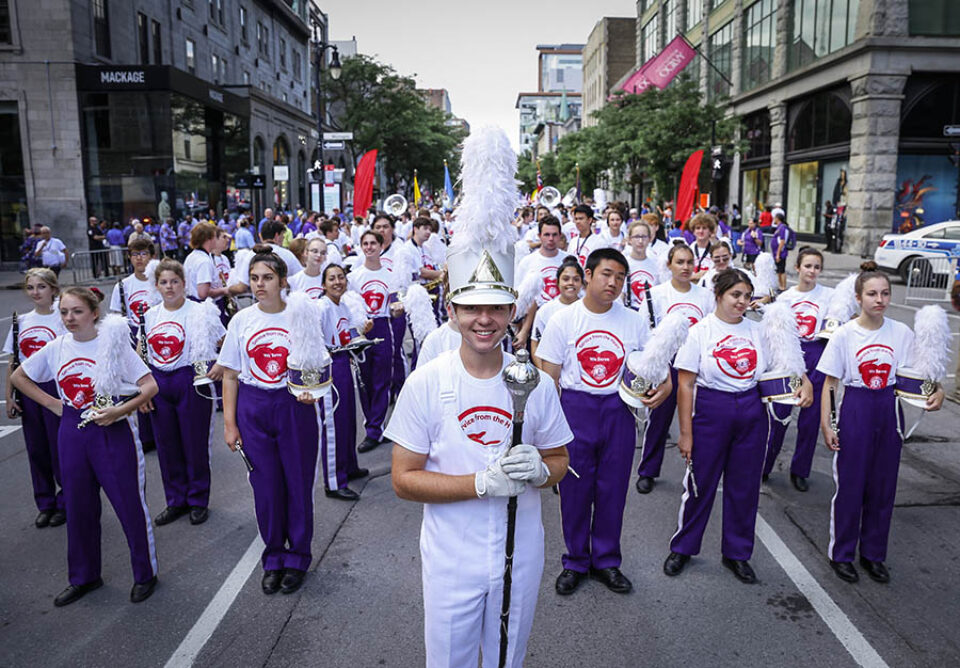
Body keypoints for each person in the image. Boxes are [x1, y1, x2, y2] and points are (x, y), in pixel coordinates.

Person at [386, 127, 572, 664]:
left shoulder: (535, 381)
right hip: (451, 558)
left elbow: (561, 459)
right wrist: (480, 483)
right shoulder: (427, 380)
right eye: (472, 308)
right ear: (454, 312)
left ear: (513, 312)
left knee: (507, 659)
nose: (484, 320)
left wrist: (541, 471)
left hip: (521, 552)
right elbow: (402, 479)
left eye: (496, 308)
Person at [11, 288, 160, 606]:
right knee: (78, 507)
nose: (69, 318)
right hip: (72, 431)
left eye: (77, 311)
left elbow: (150, 385)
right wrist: (53, 404)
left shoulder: (113, 345)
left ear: (94, 313)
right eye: (64, 312)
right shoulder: (56, 346)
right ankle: (85, 576)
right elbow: (19, 376)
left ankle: (145, 573)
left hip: (112, 429)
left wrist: (120, 411)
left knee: (128, 504)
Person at [663, 269, 812, 583]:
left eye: (747, 296)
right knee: (699, 485)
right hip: (711, 410)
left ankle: (737, 553)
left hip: (750, 409)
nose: (742, 302)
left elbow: (782, 365)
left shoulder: (758, 331)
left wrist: (804, 382)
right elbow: (686, 385)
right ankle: (684, 547)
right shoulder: (700, 331)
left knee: (744, 487)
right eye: (736, 295)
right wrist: (686, 434)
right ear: (719, 294)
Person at [538, 248, 671, 596]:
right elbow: (549, 379)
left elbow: (653, 365)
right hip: (576, 409)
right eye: (606, 274)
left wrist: (665, 384)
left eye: (620, 277)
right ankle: (575, 561)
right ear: (588, 275)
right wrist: (548, 433)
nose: (613, 283)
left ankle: (607, 560)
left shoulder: (634, 321)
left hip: (619, 410)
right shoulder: (563, 320)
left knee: (612, 490)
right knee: (575, 491)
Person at [818, 262, 944, 584]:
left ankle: (873, 553)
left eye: (885, 293)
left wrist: (938, 390)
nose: (880, 299)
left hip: (888, 407)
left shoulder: (900, 332)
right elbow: (831, 384)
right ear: (859, 297)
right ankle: (842, 554)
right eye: (872, 293)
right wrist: (829, 424)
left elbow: (921, 372)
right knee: (850, 486)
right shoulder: (845, 335)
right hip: (857, 407)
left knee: (883, 487)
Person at [215, 247, 324, 596]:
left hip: (293, 406)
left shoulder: (301, 314)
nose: (260, 285)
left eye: (267, 278)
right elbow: (229, 376)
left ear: (282, 281)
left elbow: (319, 365)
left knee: (297, 484)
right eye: (255, 278)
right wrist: (230, 424)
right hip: (254, 405)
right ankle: (274, 556)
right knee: (265, 488)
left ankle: (298, 557)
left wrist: (312, 393)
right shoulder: (242, 320)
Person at [143, 259, 225, 526]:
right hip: (158, 382)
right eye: (164, 282)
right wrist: (141, 391)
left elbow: (225, 342)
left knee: (194, 442)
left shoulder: (201, 311)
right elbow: (140, 354)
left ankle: (198, 499)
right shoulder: (150, 315)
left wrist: (219, 367)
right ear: (157, 286)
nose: (169, 287)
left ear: (183, 283)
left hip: (190, 379)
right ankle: (176, 499)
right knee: (166, 445)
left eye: (174, 281)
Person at [635, 244, 715, 494]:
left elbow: (712, 329)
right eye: (680, 262)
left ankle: (697, 470)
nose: (685, 267)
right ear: (669, 265)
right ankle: (648, 470)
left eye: (690, 262)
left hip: (696, 367)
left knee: (698, 422)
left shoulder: (705, 296)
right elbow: (643, 331)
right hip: (666, 366)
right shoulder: (656, 294)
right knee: (658, 419)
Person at [761, 248, 834, 491]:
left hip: (818, 354)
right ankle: (764, 465)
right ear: (798, 268)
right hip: (790, 356)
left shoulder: (830, 296)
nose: (812, 271)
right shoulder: (786, 298)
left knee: (810, 419)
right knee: (778, 415)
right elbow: (775, 333)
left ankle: (800, 470)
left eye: (817, 267)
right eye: (808, 266)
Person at [4, 268, 67, 528]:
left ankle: (66, 500)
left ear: (53, 289)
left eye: (41, 287)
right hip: (28, 389)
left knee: (59, 448)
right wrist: (9, 396)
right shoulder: (22, 321)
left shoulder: (62, 318)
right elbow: (13, 361)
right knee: (37, 449)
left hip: (55, 389)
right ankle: (45, 502)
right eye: (31, 288)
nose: (35, 292)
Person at [317, 264, 370, 500]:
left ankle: (349, 465)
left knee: (348, 418)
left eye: (340, 277)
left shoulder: (343, 305)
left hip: (344, 363)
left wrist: (363, 336)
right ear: (323, 284)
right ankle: (333, 481)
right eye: (332, 278)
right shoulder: (322, 307)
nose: (337, 282)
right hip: (329, 366)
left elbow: (350, 335)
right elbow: (315, 340)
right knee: (333, 424)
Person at [349, 230, 403, 453]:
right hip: (363, 329)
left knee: (381, 379)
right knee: (364, 380)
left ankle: (374, 429)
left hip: (382, 326)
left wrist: (398, 308)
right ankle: (373, 424)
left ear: (381, 246)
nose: (370, 247)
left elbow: (394, 303)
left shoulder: (390, 274)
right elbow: (350, 307)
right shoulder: (354, 276)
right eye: (366, 243)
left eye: (374, 243)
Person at [514, 216, 571, 346]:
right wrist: (522, 330)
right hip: (534, 324)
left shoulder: (570, 259)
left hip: (565, 322)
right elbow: (520, 299)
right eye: (546, 235)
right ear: (539, 236)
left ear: (560, 236)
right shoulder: (527, 262)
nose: (551, 239)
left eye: (554, 235)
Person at [531, 258, 583, 365]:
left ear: (582, 283)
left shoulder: (588, 309)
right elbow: (535, 343)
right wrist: (545, 374)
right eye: (566, 279)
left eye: (576, 279)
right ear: (557, 282)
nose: (571, 283)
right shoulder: (545, 311)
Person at [183, 223, 229, 302]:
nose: (216, 240)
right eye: (215, 237)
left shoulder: (191, 256)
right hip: (205, 308)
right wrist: (225, 290)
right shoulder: (204, 261)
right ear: (208, 239)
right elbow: (203, 293)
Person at [623, 219, 660, 311]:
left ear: (650, 239)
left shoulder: (656, 264)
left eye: (644, 237)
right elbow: (621, 295)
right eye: (636, 237)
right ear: (629, 239)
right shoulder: (623, 263)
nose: (640, 241)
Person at [569, 204, 605, 268]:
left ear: (589, 220)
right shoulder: (573, 242)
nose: (578, 222)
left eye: (581, 219)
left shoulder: (599, 242)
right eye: (576, 219)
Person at [688, 213, 716, 282]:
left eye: (704, 228)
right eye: (698, 228)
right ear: (693, 231)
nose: (701, 231)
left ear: (710, 231)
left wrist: (703, 274)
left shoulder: (716, 250)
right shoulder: (688, 250)